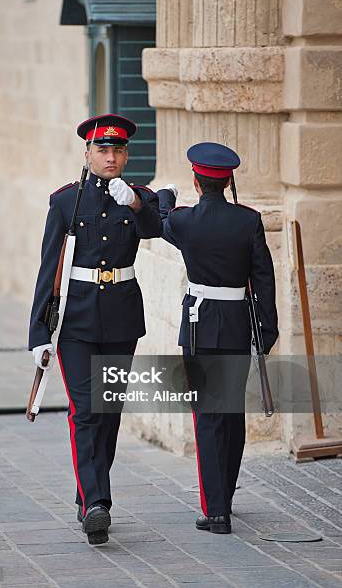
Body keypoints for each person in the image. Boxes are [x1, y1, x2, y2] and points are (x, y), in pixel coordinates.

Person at [28, 113, 162, 545]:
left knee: (109, 412)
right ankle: (96, 504)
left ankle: (88, 491)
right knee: (86, 411)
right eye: (103, 149)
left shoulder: (139, 197)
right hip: (77, 319)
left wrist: (137, 205)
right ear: (87, 154)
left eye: (118, 150)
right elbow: (49, 268)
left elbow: (156, 230)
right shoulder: (65, 201)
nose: (111, 156)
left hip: (121, 316)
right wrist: (38, 333)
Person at [157, 142, 278, 534]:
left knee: (207, 416)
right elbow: (263, 278)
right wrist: (267, 328)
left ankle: (215, 511)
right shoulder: (249, 220)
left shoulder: (186, 221)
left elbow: (162, 222)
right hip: (238, 323)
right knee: (230, 412)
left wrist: (164, 197)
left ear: (196, 180)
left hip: (200, 323)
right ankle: (225, 494)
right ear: (227, 181)